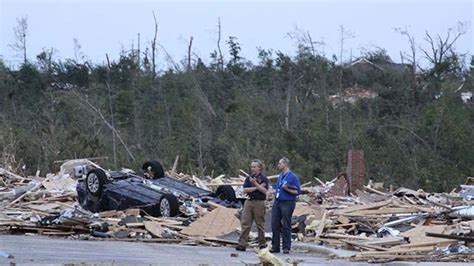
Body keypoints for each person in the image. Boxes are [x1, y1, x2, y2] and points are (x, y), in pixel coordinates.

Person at [235, 159, 269, 251]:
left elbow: (264, 190)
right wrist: (257, 187)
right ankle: (242, 243)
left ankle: (262, 243)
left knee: (260, 223)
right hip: (249, 201)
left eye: (254, 167)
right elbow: (245, 189)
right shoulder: (248, 178)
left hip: (259, 202)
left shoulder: (264, 179)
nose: (252, 168)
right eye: (251, 167)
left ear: (259, 168)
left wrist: (255, 184)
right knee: (245, 223)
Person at [270, 157, 301, 254]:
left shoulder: (292, 177)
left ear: (285, 164)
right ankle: (275, 246)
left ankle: (286, 247)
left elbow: (297, 191)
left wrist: (287, 189)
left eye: (280, 163)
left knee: (286, 224)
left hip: (287, 202)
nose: (278, 165)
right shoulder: (281, 175)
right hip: (278, 201)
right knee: (274, 223)